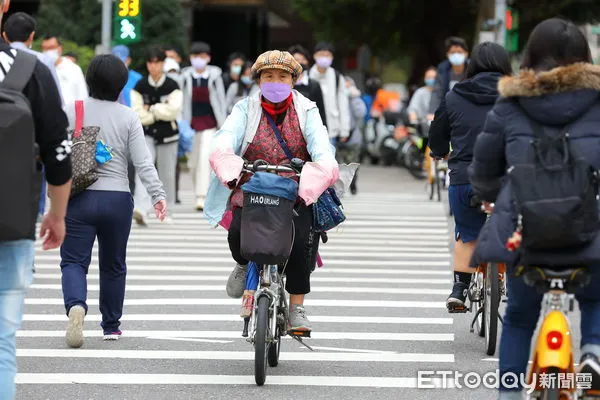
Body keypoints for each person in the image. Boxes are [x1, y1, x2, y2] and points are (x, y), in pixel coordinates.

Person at [468, 19, 600, 398]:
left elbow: (484, 167)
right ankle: (593, 353)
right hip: (588, 228)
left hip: (524, 231)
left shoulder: (510, 106)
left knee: (520, 317)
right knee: (595, 297)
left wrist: (489, 194)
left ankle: (509, 392)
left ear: (529, 57)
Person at [206, 50, 339, 331]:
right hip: (253, 184)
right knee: (237, 232)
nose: (275, 81)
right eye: (269, 76)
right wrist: (225, 158)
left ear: (293, 80)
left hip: (295, 188)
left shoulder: (307, 109)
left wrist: (324, 164)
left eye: (282, 76)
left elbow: (320, 144)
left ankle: (297, 308)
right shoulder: (245, 108)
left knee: (302, 241)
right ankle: (243, 266)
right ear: (258, 81)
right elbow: (227, 136)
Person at [61, 54, 167, 349]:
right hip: (118, 198)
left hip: (79, 197)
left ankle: (75, 307)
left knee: (73, 261)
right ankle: (111, 325)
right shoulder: (128, 116)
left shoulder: (72, 110)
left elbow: (54, 152)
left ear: (89, 80)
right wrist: (158, 195)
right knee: (114, 264)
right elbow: (143, 163)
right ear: (121, 85)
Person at [0, 0, 72, 396]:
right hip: (9, 223)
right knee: (1, 342)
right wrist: (56, 214)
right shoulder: (30, 70)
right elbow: (58, 153)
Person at [428, 42, 512, 312]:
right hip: (508, 179)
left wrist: (440, 152)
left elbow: (437, 134)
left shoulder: (455, 95)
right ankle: (515, 284)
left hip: (466, 178)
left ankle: (459, 288)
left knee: (466, 235)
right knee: (515, 231)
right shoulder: (518, 95)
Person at [2, 11, 63, 220]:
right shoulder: (41, 62)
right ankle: (36, 210)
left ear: (5, 35)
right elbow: (55, 104)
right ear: (31, 36)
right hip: (30, 135)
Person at [131, 47, 182, 225]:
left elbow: (173, 111)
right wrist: (161, 108)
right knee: (144, 171)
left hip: (168, 135)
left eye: (157, 62)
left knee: (167, 174)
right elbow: (137, 113)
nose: (154, 66)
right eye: (151, 62)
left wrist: (151, 109)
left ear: (163, 64)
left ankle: (167, 211)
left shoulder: (172, 85)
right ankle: (141, 209)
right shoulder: (140, 86)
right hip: (146, 135)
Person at [181, 41, 227, 211]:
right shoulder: (185, 77)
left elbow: (221, 101)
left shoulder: (215, 77)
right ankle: (197, 192)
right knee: (192, 162)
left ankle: (202, 196)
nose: (198, 60)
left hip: (210, 123)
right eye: (195, 56)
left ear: (208, 58)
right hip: (190, 124)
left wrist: (223, 124)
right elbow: (181, 101)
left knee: (204, 159)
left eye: (201, 56)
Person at [112, 44, 143, 201]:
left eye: (122, 60)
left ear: (129, 60)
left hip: (132, 123)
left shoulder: (137, 79)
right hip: (112, 123)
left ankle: (130, 194)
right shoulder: (107, 77)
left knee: (131, 161)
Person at [309, 41, 350, 145]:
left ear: (332, 57)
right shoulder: (308, 75)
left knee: (329, 159)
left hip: (331, 129)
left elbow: (343, 104)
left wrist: (344, 130)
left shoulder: (337, 77)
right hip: (309, 128)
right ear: (315, 55)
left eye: (328, 55)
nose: (324, 58)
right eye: (321, 55)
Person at [337, 76, 366, 194]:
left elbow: (361, 113)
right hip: (337, 136)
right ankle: (340, 187)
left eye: (349, 85)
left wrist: (354, 99)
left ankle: (353, 184)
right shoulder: (336, 98)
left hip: (353, 138)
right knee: (338, 164)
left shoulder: (356, 100)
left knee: (353, 164)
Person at [428, 36, 469, 118]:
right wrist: (432, 112)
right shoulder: (442, 70)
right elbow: (437, 93)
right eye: (453, 52)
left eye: (459, 52)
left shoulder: (472, 69)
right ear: (447, 54)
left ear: (466, 53)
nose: (456, 55)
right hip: (447, 112)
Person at [41, 34, 88, 105]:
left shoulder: (73, 69)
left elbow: (81, 97)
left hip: (70, 114)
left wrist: (79, 116)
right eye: (45, 48)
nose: (48, 51)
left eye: (51, 47)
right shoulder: (40, 69)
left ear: (60, 49)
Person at [288, 44, 327, 127]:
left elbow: (321, 110)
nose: (300, 63)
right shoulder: (284, 85)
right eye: (297, 60)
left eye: (303, 59)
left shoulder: (314, 85)